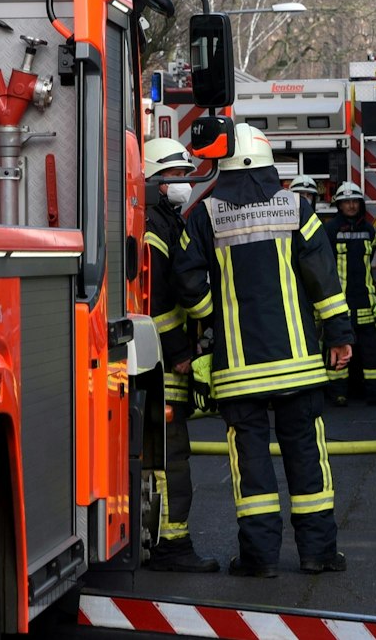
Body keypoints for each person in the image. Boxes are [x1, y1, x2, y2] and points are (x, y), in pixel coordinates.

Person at [172, 124, 354, 577]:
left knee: (251, 466)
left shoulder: (205, 215)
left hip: (239, 370)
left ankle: (259, 559)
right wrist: (339, 335)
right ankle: (317, 554)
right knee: (307, 459)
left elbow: (188, 282)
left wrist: (212, 317)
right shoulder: (298, 207)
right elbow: (324, 280)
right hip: (298, 366)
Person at [140, 137, 219, 573]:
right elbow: (154, 303)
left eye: (185, 176)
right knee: (172, 457)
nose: (183, 184)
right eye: (174, 177)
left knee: (167, 456)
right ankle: (172, 546)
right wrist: (182, 352)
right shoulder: (154, 228)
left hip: (163, 361)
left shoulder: (165, 220)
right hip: (163, 365)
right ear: (152, 180)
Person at [319, 183, 376, 406]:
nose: (351, 205)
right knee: (338, 349)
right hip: (339, 303)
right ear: (339, 205)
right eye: (346, 202)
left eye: (354, 201)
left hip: (365, 302)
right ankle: (337, 394)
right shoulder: (330, 230)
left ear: (360, 204)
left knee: (373, 352)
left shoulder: (370, 230)